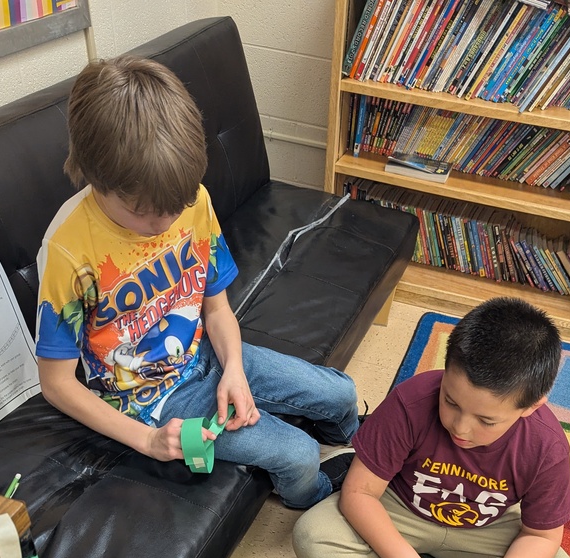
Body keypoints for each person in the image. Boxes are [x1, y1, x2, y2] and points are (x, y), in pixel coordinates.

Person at [35, 56, 359, 512]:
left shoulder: (194, 202)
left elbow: (216, 309)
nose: (164, 222)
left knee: (341, 392)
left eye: (176, 206)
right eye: (143, 213)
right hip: (149, 400)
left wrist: (235, 370)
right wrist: (147, 440)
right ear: (94, 176)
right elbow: (57, 385)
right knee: (299, 457)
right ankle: (316, 498)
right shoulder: (69, 249)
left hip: (207, 354)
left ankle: (355, 448)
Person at [292, 297, 570, 558]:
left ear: (532, 406)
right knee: (312, 534)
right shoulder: (411, 401)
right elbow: (360, 492)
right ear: (446, 367)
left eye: (487, 420)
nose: (461, 428)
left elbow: (542, 536)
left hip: (486, 526)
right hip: (400, 507)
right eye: (451, 402)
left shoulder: (547, 446)